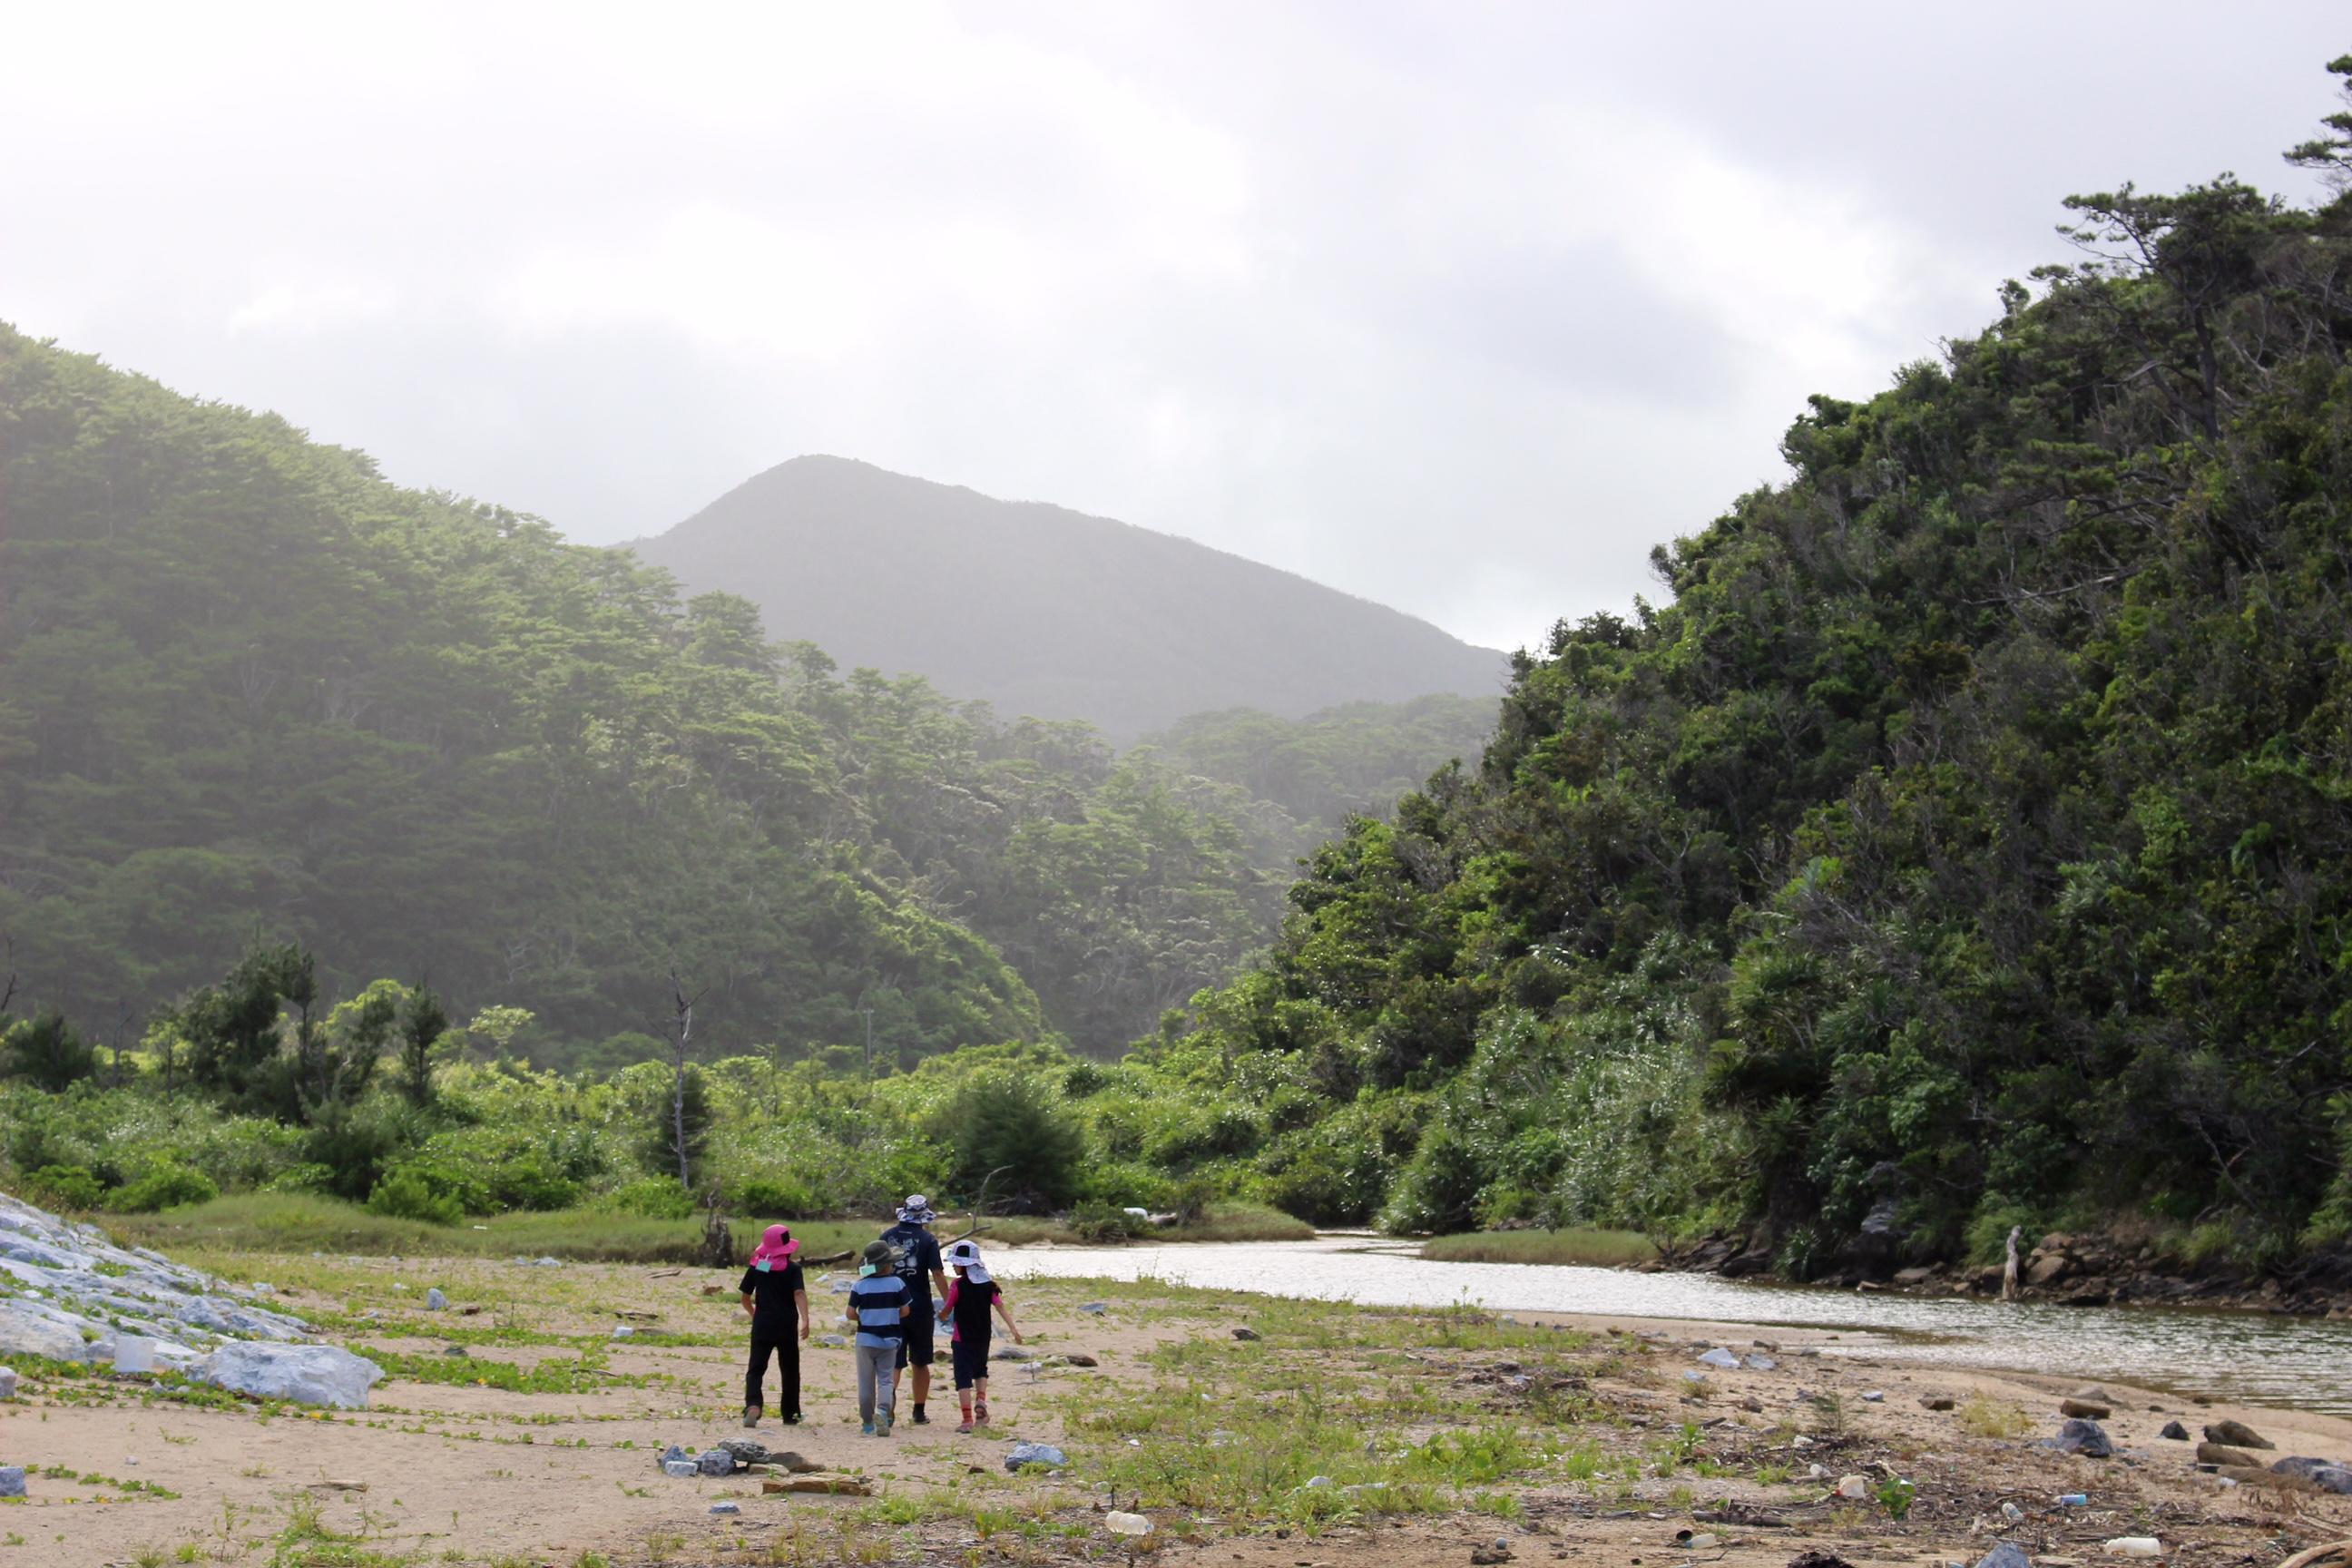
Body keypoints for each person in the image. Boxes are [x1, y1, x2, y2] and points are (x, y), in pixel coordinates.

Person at [878, 1193, 951, 1426]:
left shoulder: (887, 1236)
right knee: (920, 1361)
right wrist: (949, 1303)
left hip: (890, 1306)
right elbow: (937, 1274)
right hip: (918, 1306)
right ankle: (918, 1412)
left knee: (894, 1360)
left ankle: (886, 1404)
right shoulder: (928, 1239)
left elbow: (869, 1268)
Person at [939, 1238, 1021, 1433]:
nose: (954, 1267)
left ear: (963, 1265)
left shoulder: (957, 1286)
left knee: (963, 1378)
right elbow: (1001, 1308)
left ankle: (967, 1420)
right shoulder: (988, 1286)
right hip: (983, 1336)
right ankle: (981, 1401)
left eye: (956, 1264)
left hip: (961, 1338)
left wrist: (939, 1316)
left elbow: (947, 1309)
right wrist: (1014, 1330)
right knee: (980, 1370)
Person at [737, 1224, 809, 1427]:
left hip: (762, 1324)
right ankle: (791, 1414)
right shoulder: (793, 1269)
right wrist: (806, 1319)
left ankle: (753, 1405)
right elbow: (799, 1294)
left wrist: (754, 1314)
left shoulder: (757, 1266)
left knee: (756, 1369)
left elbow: (744, 1297)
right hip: (786, 1325)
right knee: (790, 1370)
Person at [844, 1239, 912, 1436]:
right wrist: (890, 1315)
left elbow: (849, 1313)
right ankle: (883, 1409)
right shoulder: (897, 1283)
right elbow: (906, 1310)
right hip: (890, 1340)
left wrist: (864, 1318)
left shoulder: (860, 1286)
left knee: (865, 1382)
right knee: (885, 1379)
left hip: (865, 1340)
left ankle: (866, 1422)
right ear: (887, 1265)